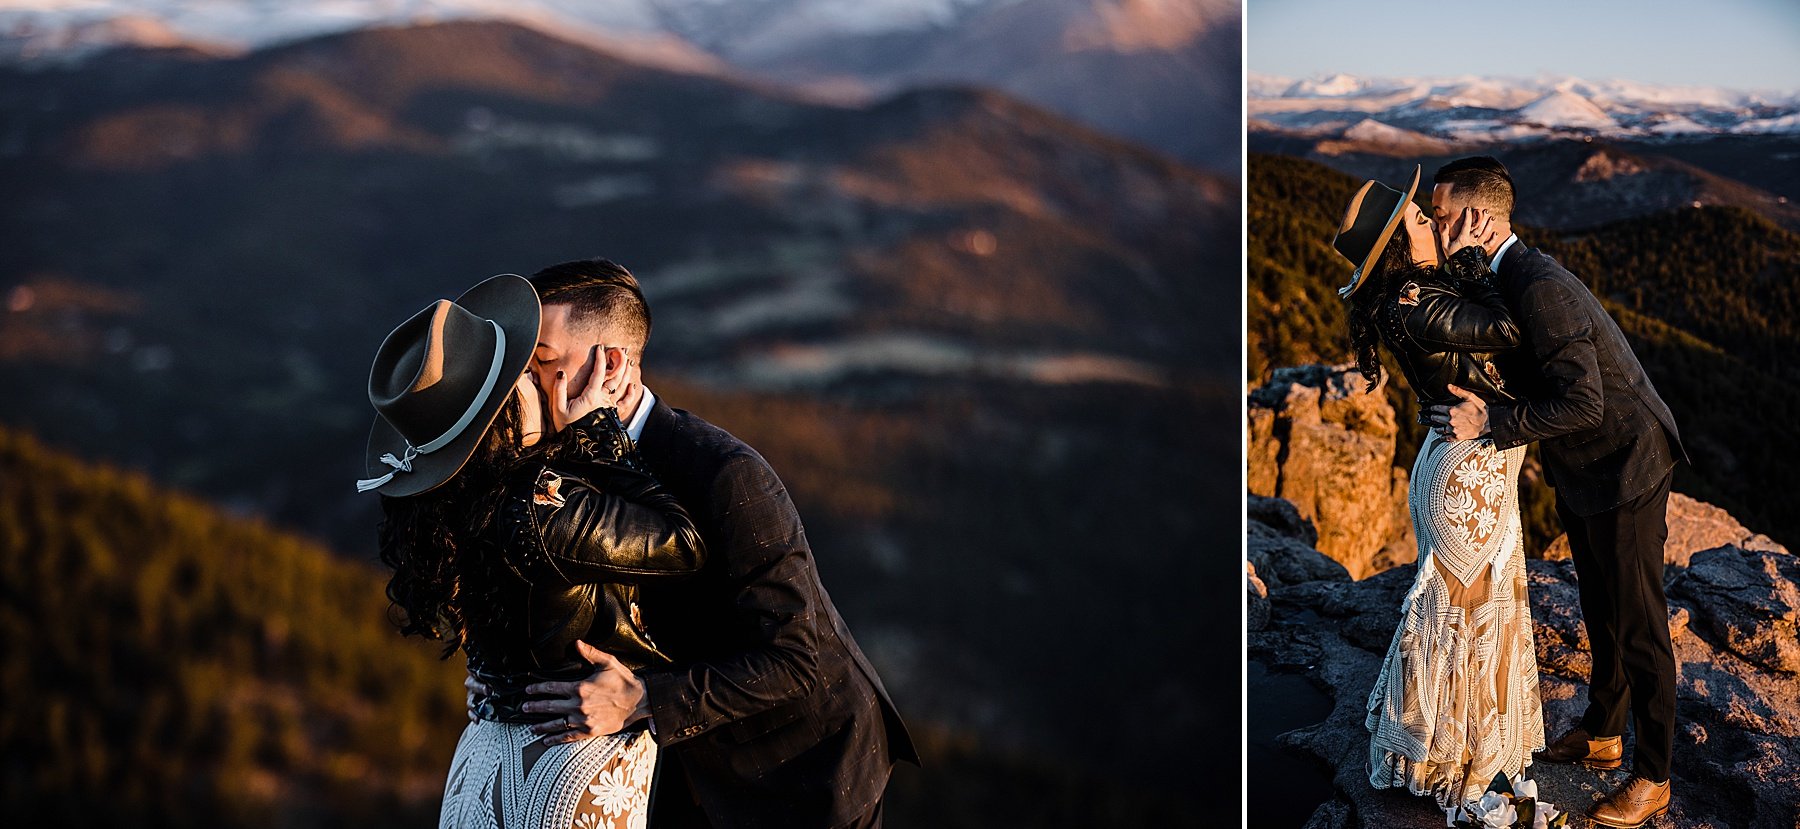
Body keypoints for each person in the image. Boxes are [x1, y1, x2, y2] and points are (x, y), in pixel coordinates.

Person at [469, 259, 918, 829]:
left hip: (800, 772)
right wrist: (505, 675)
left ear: (611, 364)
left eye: (545, 364)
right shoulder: (563, 461)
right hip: (686, 769)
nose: (526, 386)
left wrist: (643, 701)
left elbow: (793, 657)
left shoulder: (724, 474)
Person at [358, 273, 708, 829]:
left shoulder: (454, 501)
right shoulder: (547, 508)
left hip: (481, 763)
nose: (544, 379)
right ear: (504, 411)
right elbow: (682, 543)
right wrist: (598, 434)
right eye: (525, 373)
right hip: (563, 770)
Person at [1427, 156, 1686, 829]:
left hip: (1627, 461)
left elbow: (1586, 400)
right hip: (1586, 467)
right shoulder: (1502, 275)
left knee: (1638, 621)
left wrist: (1494, 423)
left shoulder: (1540, 286)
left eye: (1444, 215)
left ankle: (1654, 775)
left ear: (1480, 220)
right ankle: (1603, 734)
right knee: (1600, 601)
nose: (1436, 225)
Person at [1331, 166, 1547, 819]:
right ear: (1400, 243)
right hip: (1465, 475)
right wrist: (1480, 256)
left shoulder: (1418, 290)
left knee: (1468, 616)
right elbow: (1513, 327)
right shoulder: (1417, 298)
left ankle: (1456, 754)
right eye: (1422, 220)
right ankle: (1456, 770)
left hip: (1472, 465)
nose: (1438, 222)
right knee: (1464, 622)